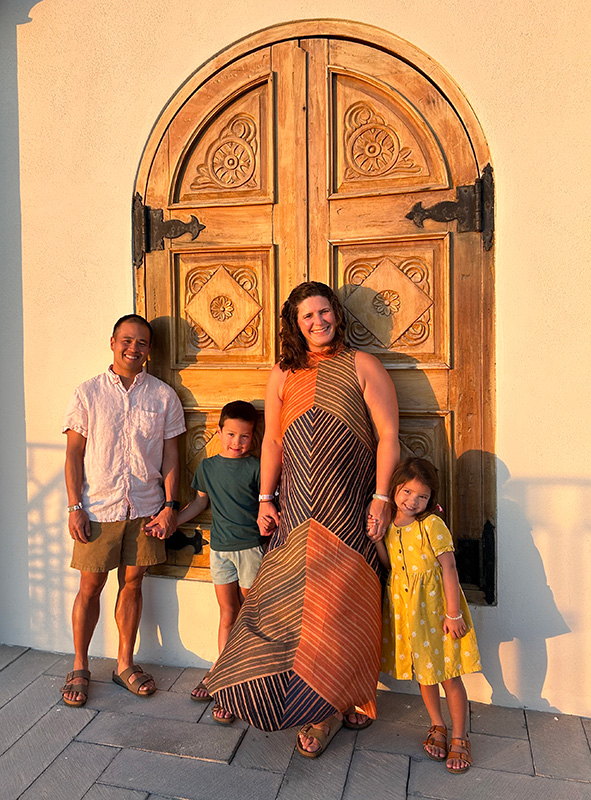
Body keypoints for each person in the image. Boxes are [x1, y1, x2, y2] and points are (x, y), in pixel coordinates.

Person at [204, 281, 399, 757]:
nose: (317, 321)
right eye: (307, 316)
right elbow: (271, 441)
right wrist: (265, 498)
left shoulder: (363, 365)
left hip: (348, 506)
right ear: (295, 324)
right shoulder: (284, 373)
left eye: (324, 311)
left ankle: (335, 705)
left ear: (337, 314)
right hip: (295, 508)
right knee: (281, 603)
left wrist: (381, 497)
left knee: (343, 605)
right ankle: (254, 684)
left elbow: (390, 435)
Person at [60, 314, 185, 707]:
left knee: (133, 584)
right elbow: (74, 455)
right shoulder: (87, 393)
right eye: (127, 340)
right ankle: (80, 665)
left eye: (142, 343)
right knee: (90, 587)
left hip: (146, 510)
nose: (134, 348)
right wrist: (74, 506)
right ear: (112, 342)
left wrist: (169, 506)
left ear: (150, 350)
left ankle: (124, 664)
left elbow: (170, 457)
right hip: (98, 508)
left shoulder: (163, 396)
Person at [371, 457, 482, 774]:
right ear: (395, 489)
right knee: (425, 672)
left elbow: (448, 567)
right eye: (407, 492)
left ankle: (460, 736)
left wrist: (453, 613)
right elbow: (390, 564)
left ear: (430, 498)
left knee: (448, 673)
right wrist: (378, 540)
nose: (412, 501)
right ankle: (437, 724)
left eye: (421, 496)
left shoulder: (431, 524)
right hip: (407, 611)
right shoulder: (392, 523)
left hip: (435, 612)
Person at [176, 400, 265, 723]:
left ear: (253, 437)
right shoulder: (208, 468)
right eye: (231, 435)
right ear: (219, 431)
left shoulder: (256, 467)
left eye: (244, 437)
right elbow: (199, 503)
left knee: (249, 617)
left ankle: (245, 681)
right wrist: (173, 521)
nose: (237, 442)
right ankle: (221, 672)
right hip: (220, 551)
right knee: (228, 613)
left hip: (251, 551)